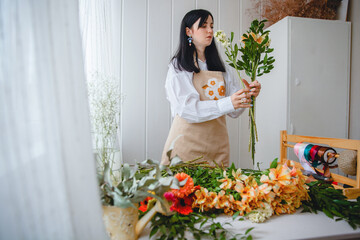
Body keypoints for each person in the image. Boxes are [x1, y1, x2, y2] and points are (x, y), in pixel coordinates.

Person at [161, 9, 261, 167]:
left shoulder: (222, 68)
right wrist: (228, 102)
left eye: (212, 26)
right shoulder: (178, 66)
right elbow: (187, 109)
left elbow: (234, 111)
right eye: (203, 26)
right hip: (186, 146)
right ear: (189, 31)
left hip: (216, 147)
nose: (210, 30)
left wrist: (248, 95)